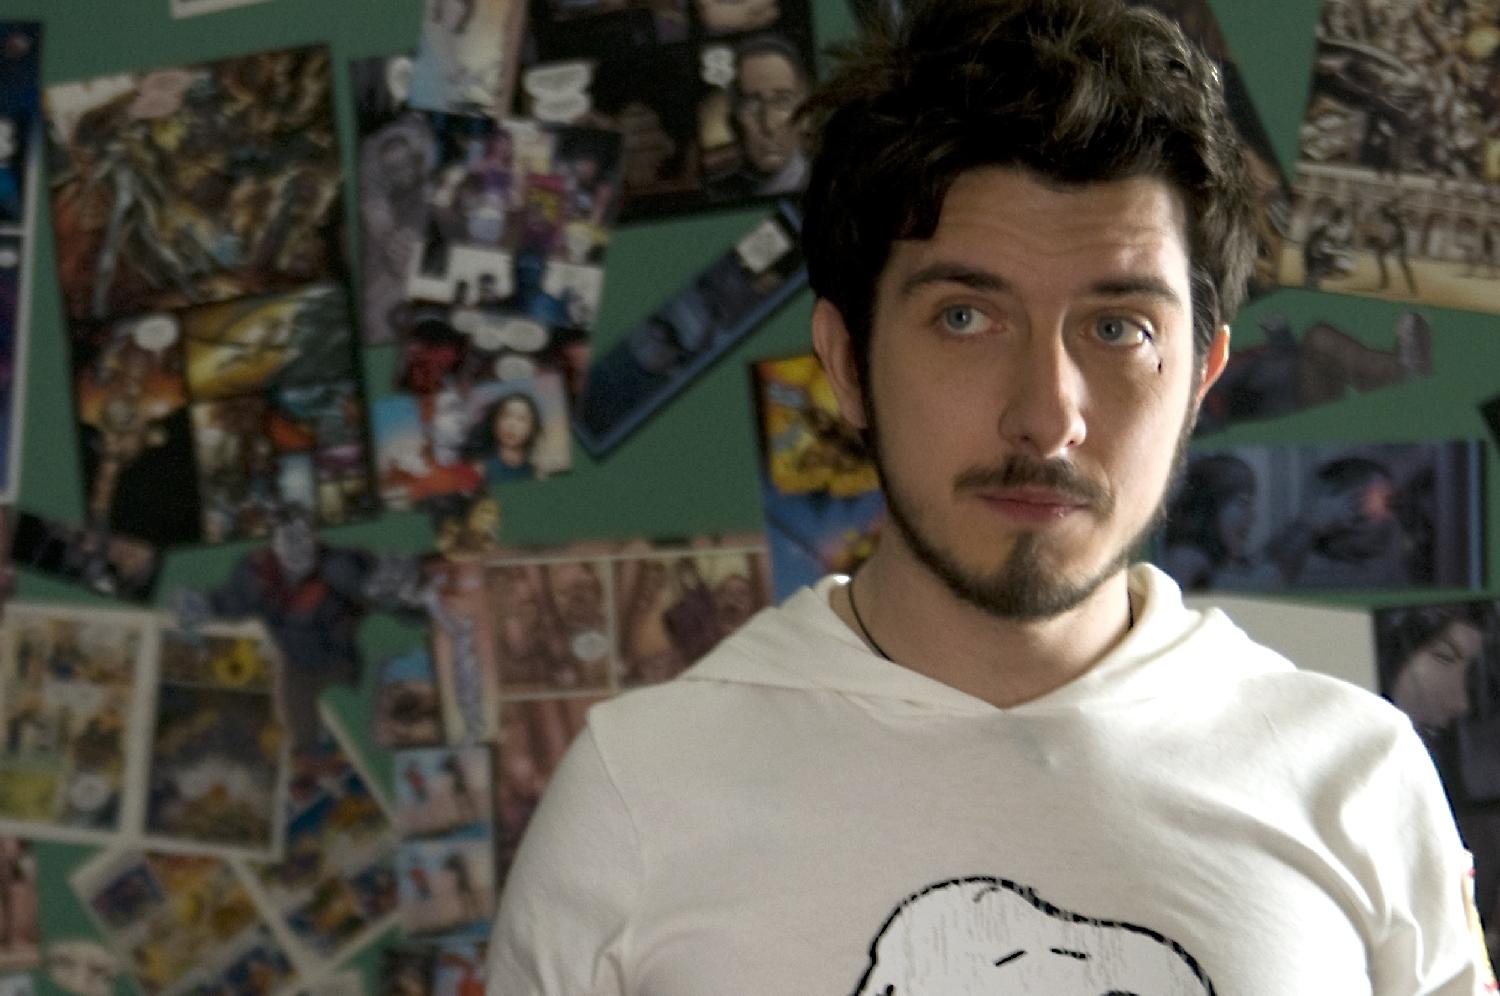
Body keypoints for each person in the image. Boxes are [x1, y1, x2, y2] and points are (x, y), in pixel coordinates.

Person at [487, 0, 1490, 991]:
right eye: (966, 317)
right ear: (847, 362)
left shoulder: (1357, 779)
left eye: (1119, 328)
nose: (1046, 418)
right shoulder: (638, 797)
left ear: (1201, 379)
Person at [707, 35, 811, 198]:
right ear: (733, 119)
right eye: (751, 104)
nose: (768, 125)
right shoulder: (715, 194)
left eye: (782, 101)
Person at [1157, 452, 1275, 591]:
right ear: (1211, 506)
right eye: (1243, 503)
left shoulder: (1220, 561)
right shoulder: (1185, 558)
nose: (1252, 516)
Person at [463, 390, 542, 482]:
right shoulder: (480, 470)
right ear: (494, 422)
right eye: (506, 416)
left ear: (533, 428)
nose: (512, 424)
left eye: (521, 419)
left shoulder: (536, 474)